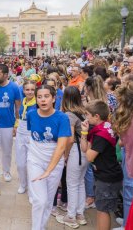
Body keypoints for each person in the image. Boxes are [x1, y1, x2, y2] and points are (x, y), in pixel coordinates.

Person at [26, 85, 71, 230]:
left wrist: (49, 170)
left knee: (48, 201)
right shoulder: (31, 114)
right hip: (35, 161)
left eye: (46, 96)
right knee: (40, 200)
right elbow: (31, 137)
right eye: (39, 97)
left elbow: (62, 146)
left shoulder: (62, 118)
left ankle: (42, 226)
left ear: (53, 98)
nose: (43, 100)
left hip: (54, 164)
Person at [80, 100, 123, 230]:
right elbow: (84, 148)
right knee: (101, 208)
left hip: (107, 177)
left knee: (102, 210)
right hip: (104, 175)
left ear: (96, 116)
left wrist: (88, 144)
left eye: (87, 114)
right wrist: (84, 133)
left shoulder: (101, 135)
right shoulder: (102, 127)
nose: (86, 117)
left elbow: (88, 156)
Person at [55, 86, 88, 228]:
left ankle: (71, 216)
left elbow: (69, 138)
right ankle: (79, 213)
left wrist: (65, 156)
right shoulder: (83, 111)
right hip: (85, 150)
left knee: (72, 184)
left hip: (76, 151)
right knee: (80, 183)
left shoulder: (69, 114)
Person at [0, 64, 21, 182]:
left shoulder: (14, 87)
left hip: (8, 125)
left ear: (5, 75)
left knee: (7, 151)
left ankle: (6, 171)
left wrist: (16, 125)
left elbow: (18, 108)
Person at [15, 79, 36, 194]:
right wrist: (16, 125)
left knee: (31, 163)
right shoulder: (22, 101)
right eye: (27, 89)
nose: (30, 92)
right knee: (20, 163)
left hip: (32, 135)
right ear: (23, 91)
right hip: (20, 133)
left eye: (32, 90)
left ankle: (31, 188)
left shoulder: (37, 103)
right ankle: (23, 184)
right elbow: (19, 115)